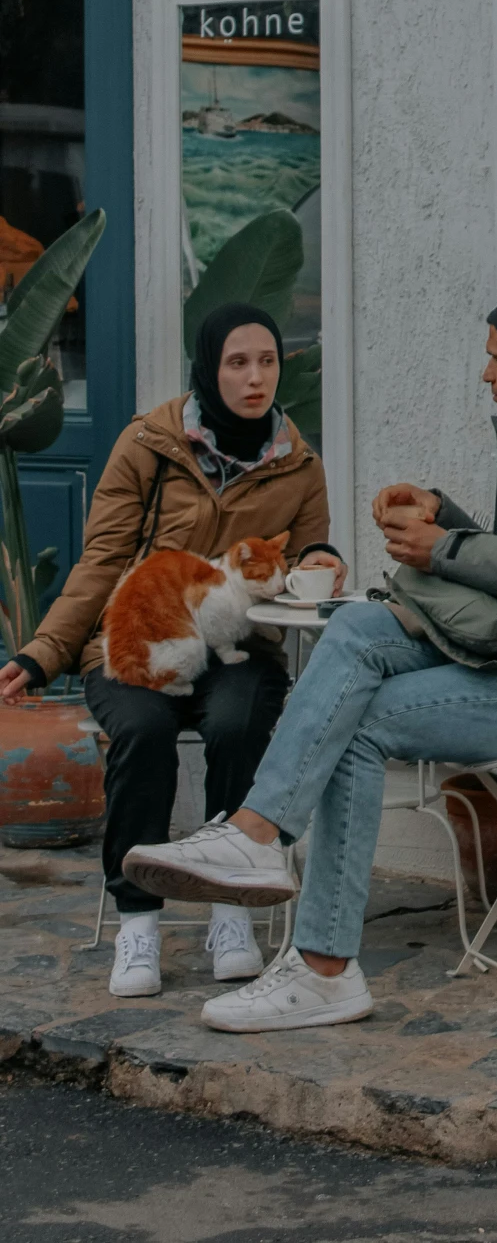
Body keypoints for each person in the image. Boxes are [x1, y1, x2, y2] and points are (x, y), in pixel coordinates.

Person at [121, 275, 497, 1034]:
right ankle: (256, 838)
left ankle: (321, 963)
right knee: (359, 628)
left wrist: (448, 547)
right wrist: (447, 515)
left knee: (356, 722)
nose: (484, 371)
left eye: (495, 356)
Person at [0, 303, 343, 1000]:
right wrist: (42, 653)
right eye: (237, 363)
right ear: (209, 369)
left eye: (268, 361)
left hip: (241, 648)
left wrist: (324, 559)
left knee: (238, 724)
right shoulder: (150, 445)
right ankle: (138, 920)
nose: (255, 378)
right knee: (144, 730)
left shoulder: (299, 464)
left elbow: (308, 551)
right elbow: (101, 561)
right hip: (140, 640)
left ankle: (230, 912)